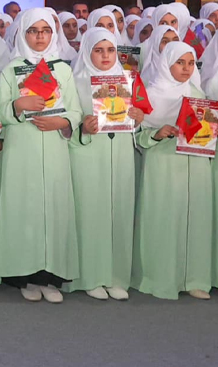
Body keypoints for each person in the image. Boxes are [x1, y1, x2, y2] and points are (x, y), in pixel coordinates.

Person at [0, 8, 81, 303]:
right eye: (33, 31)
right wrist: (18, 106)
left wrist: (63, 122)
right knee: (24, 206)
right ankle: (25, 276)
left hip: (55, 146)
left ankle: (51, 276)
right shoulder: (11, 69)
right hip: (22, 148)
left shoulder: (63, 69)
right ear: (23, 33)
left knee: (54, 207)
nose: (40, 37)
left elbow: (75, 109)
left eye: (45, 31)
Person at [66, 27, 142, 301]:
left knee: (118, 211)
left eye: (110, 50)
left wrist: (137, 116)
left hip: (120, 154)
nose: (105, 56)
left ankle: (116, 275)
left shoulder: (127, 80)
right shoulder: (77, 81)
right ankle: (91, 275)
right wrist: (83, 128)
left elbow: (136, 120)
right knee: (91, 214)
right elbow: (67, 126)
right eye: (98, 50)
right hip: (88, 155)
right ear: (88, 51)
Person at [133, 42, 211, 299]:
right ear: (166, 63)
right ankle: (162, 277)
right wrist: (157, 133)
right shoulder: (151, 93)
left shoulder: (196, 90)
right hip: (164, 163)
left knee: (195, 217)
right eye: (180, 63)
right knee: (165, 218)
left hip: (195, 163)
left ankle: (194, 277)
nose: (186, 69)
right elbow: (137, 137)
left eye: (190, 63)